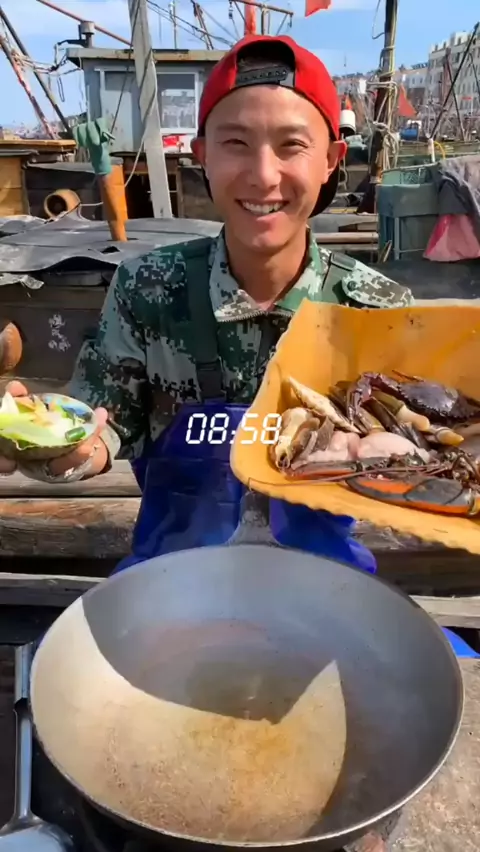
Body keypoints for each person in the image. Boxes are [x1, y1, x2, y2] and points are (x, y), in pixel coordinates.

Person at [1, 35, 413, 571]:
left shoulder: (377, 311)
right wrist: (49, 442)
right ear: (202, 156)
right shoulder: (147, 288)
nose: (263, 175)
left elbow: (415, 454)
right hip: (174, 575)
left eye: (291, 145)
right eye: (235, 142)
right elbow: (101, 426)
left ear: (332, 160)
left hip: (324, 581)